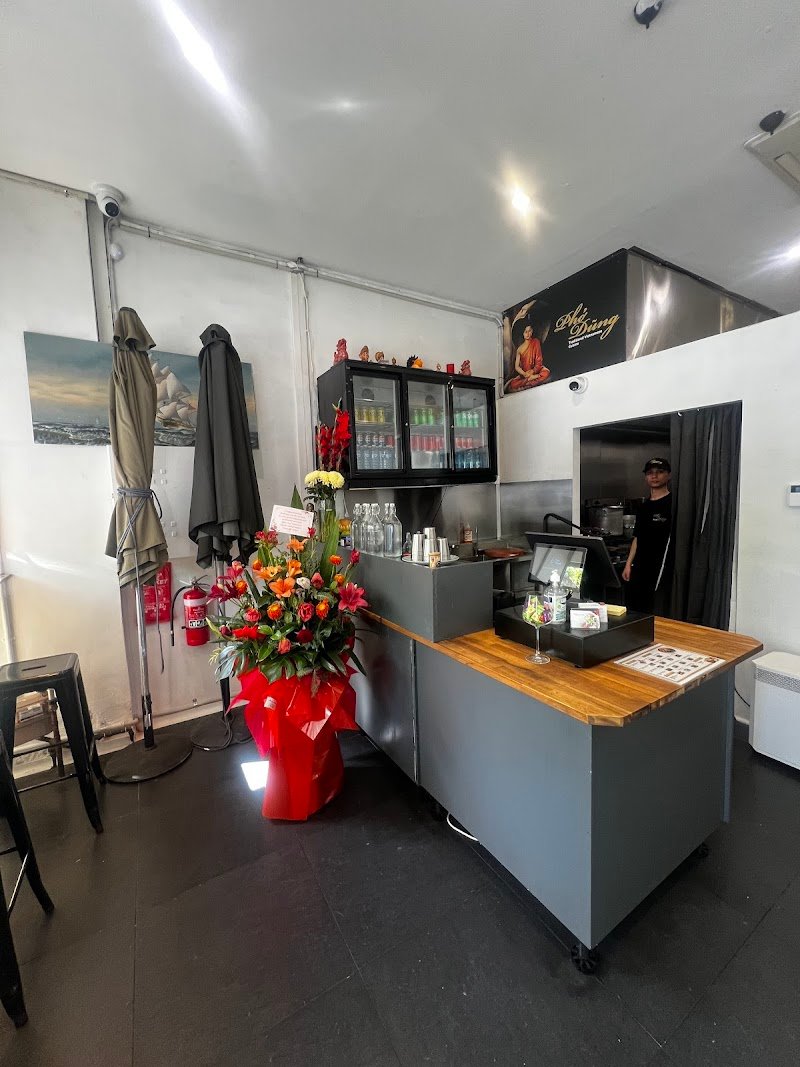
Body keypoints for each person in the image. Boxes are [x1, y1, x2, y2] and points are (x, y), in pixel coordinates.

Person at [622, 458, 672, 614]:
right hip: (640, 565)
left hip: (662, 566)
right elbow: (637, 537)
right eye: (650, 473)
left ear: (668, 475)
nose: (654, 476)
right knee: (635, 607)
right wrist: (628, 564)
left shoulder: (673, 503)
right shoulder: (644, 506)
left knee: (657, 607)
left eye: (659, 472)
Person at [505, 324, 552, 392]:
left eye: (529, 331)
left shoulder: (536, 342)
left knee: (546, 372)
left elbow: (539, 360)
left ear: (532, 331)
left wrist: (533, 371)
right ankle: (530, 380)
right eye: (525, 332)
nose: (528, 334)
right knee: (513, 384)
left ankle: (530, 380)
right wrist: (524, 374)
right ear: (523, 333)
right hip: (525, 374)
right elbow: (517, 367)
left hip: (537, 370)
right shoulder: (519, 349)